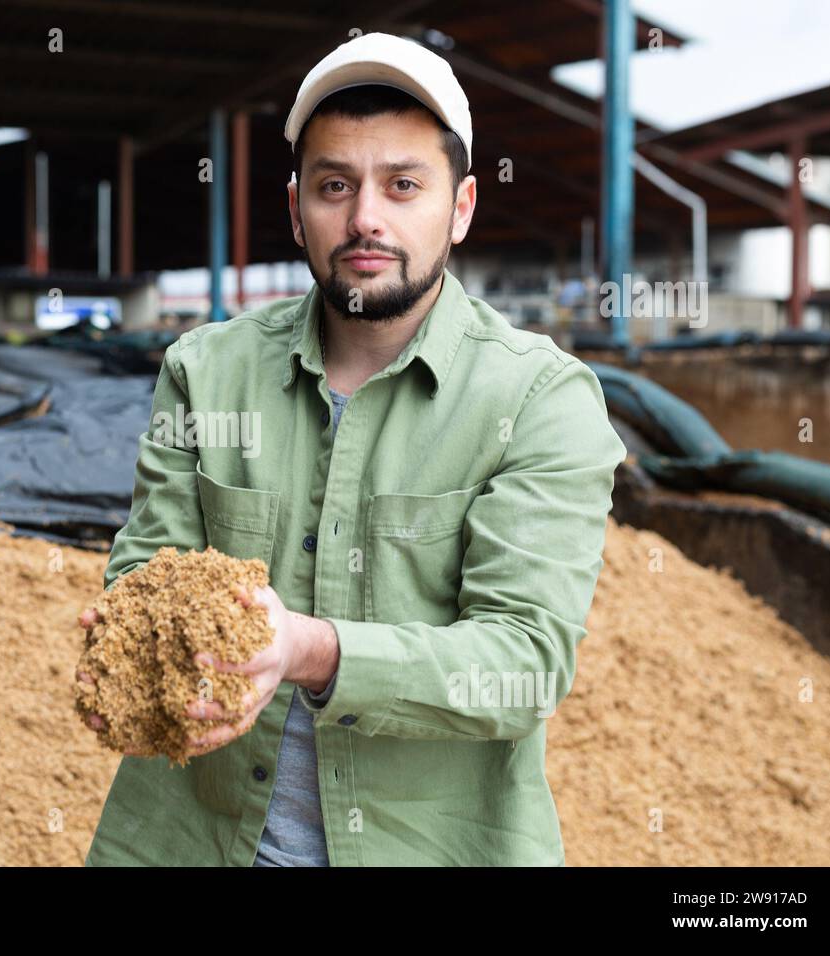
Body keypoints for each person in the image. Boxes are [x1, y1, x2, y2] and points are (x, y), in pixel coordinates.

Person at [78, 32, 627, 866]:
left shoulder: (541, 401)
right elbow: (145, 574)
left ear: (463, 206)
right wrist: (131, 644)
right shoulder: (205, 371)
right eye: (336, 185)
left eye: (404, 185)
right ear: (297, 206)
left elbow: (525, 661)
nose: (366, 216)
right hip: (192, 840)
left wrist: (309, 650)